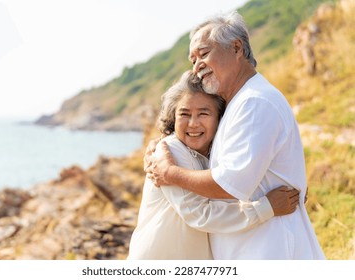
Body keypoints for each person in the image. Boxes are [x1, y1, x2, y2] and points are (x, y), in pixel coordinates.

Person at [147, 11, 325, 259]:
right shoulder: (237, 104)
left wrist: (170, 173)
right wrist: (164, 144)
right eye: (193, 59)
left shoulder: (254, 103)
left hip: (269, 250)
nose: (197, 65)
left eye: (204, 53)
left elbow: (227, 183)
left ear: (236, 48)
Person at [128, 71, 299, 260]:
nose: (193, 124)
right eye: (184, 114)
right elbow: (200, 213)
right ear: (173, 118)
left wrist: (288, 186)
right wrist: (266, 208)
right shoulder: (170, 152)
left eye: (203, 113)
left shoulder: (214, 155)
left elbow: (236, 184)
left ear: (220, 118)